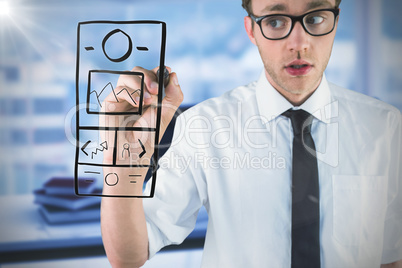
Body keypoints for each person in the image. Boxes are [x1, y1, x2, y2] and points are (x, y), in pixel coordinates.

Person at [100, 0, 402, 267]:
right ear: (251, 30)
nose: (299, 42)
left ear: (336, 21)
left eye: (315, 18)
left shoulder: (384, 127)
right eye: (274, 21)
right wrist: (122, 163)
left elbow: (391, 255)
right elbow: (128, 256)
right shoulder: (205, 126)